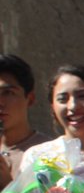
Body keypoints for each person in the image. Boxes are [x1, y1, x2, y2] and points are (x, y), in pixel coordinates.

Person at [0, 54, 52, 185]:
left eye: (8, 93)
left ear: (30, 99)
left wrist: (8, 185)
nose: (0, 102)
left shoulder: (49, 153)